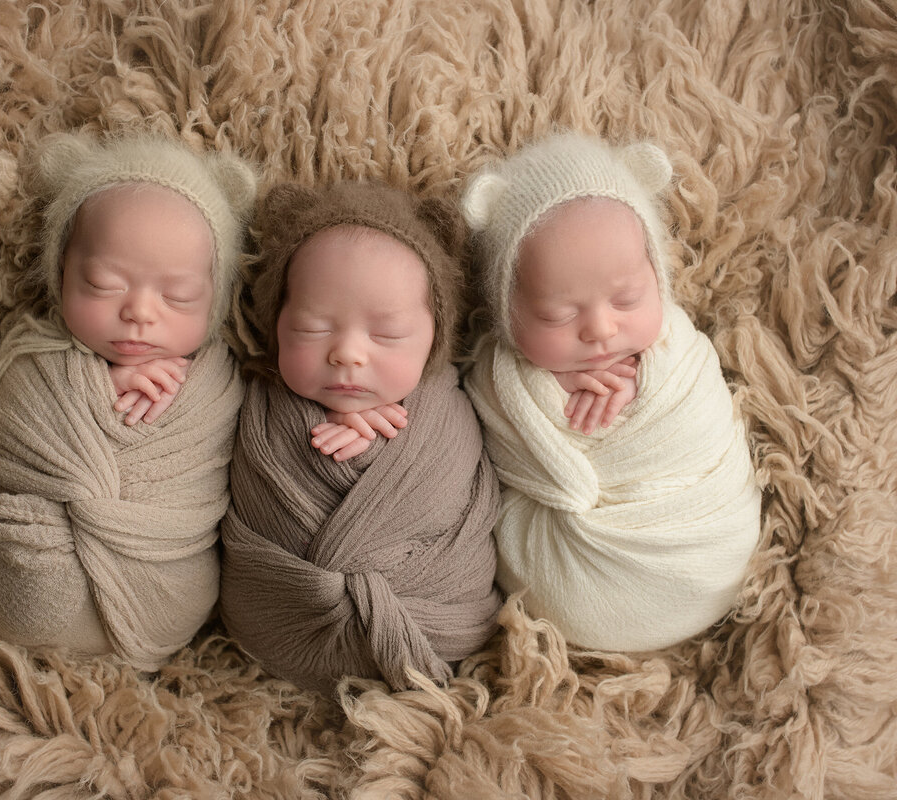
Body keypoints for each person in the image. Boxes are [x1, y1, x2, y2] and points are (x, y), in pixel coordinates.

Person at [0, 130, 256, 670]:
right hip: (16, 563)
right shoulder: (33, 360)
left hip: (160, 583)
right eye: (103, 284)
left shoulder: (218, 386)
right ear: (60, 273)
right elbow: (6, 430)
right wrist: (93, 398)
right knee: (33, 586)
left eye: (178, 297)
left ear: (215, 302)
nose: (140, 312)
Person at [462, 131, 762, 652]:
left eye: (627, 299)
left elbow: (702, 421)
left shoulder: (679, 355)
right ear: (508, 313)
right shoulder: (499, 375)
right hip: (566, 576)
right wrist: (543, 391)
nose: (600, 329)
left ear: (658, 282)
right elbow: (484, 440)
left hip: (707, 551)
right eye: (558, 314)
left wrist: (645, 391)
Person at [221, 181, 502, 696]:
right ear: (275, 326)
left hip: (433, 613)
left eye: (388, 335)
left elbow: (459, 501)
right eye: (311, 328)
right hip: (282, 622)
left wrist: (387, 453)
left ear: (435, 340)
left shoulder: (450, 411)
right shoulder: (252, 405)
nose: (348, 353)